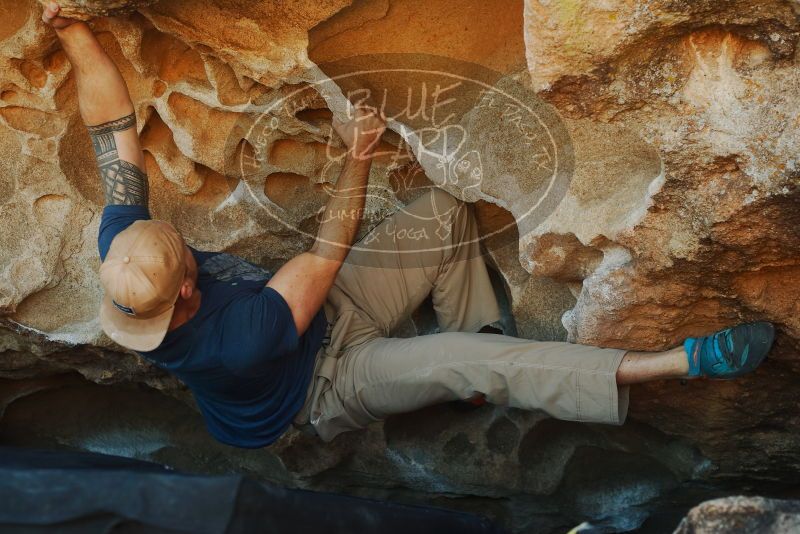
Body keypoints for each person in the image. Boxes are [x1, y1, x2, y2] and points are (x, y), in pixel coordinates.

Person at [42, 4, 775, 448]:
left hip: (323, 315)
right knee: (466, 362)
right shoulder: (240, 338)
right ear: (189, 286)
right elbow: (327, 252)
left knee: (444, 213)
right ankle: (673, 362)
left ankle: (485, 347)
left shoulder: (124, 256)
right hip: (321, 384)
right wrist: (357, 155)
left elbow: (113, 130)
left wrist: (73, 32)